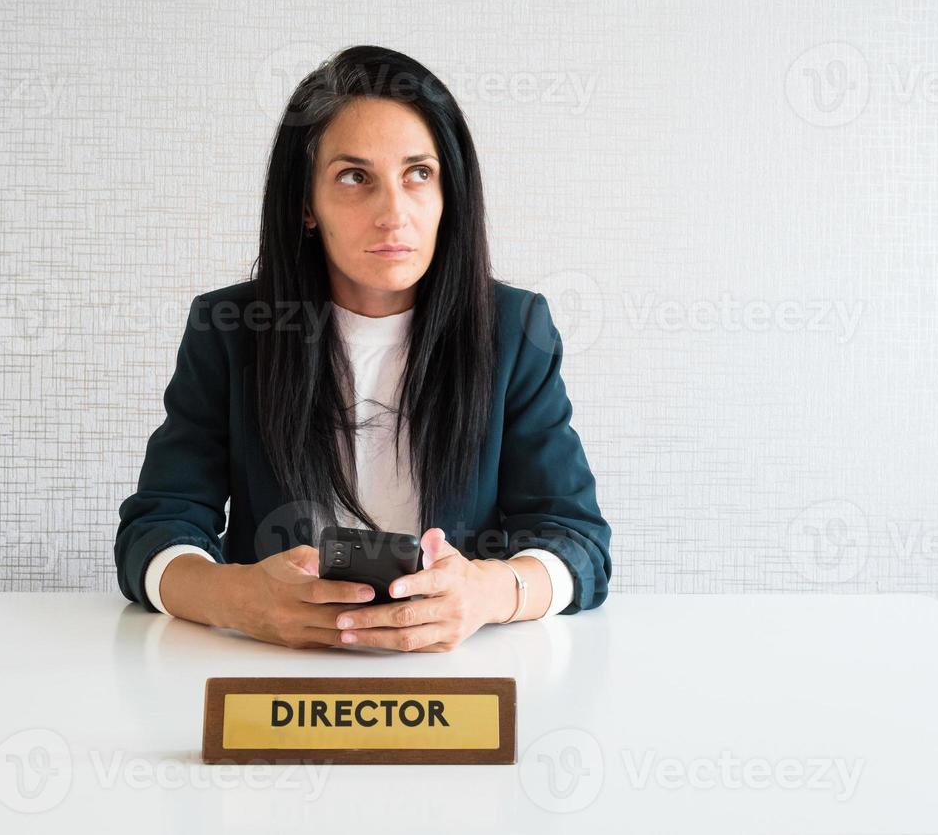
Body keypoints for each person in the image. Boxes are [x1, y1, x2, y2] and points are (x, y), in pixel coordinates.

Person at [114, 44, 611, 651]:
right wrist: (242, 599)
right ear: (306, 206)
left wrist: (488, 592)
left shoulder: (514, 329)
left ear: (448, 194)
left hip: (452, 681)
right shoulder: (233, 326)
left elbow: (578, 544)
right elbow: (156, 528)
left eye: (418, 175)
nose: (393, 213)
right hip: (276, 672)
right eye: (355, 177)